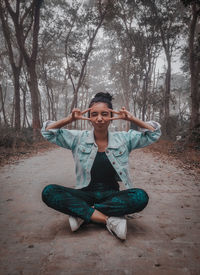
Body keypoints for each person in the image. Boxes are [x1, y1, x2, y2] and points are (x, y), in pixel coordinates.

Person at [41, 92, 161, 240]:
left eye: (104, 114)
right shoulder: (78, 138)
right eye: (94, 114)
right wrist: (70, 119)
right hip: (84, 194)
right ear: (89, 117)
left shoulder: (124, 139)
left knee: (140, 197)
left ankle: (84, 214)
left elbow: (153, 134)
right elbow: (48, 133)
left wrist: (132, 119)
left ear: (111, 117)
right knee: (49, 192)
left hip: (111, 195)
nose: (99, 119)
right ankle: (108, 220)